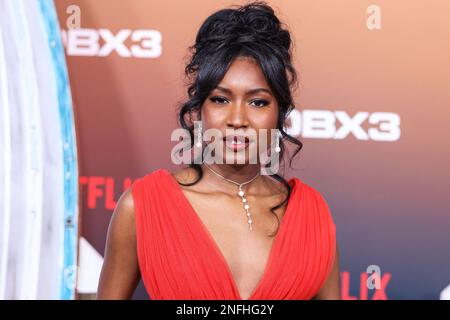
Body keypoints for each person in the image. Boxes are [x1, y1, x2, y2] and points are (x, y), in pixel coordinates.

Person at [97, 1, 339, 300]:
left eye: (258, 102)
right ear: (198, 111)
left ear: (280, 114)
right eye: (221, 100)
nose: (237, 120)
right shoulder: (143, 206)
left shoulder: (311, 214)